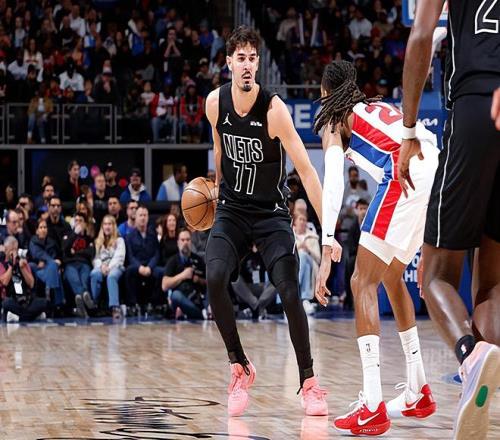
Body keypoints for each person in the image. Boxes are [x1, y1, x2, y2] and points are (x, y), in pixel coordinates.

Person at [204, 25, 327, 418]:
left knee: (290, 292)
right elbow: (219, 150)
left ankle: (309, 382)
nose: (247, 65)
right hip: (232, 210)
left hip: (271, 214)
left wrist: (329, 233)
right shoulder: (214, 103)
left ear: (257, 64)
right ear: (228, 62)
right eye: (240, 58)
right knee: (214, 277)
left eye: (252, 58)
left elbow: (306, 171)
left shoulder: (274, 110)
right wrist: (215, 192)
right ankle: (239, 366)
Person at [314, 60, 439, 435]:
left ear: (327, 94)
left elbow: (333, 183)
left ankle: (371, 405)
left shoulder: (335, 121)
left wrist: (326, 246)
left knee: (360, 281)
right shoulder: (376, 106)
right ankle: (418, 389)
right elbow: (425, 151)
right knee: (390, 276)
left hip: (404, 172)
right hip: (433, 166)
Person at [398, 2, 500, 439]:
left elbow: (421, 35)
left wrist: (408, 131)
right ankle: (487, 367)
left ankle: (469, 355)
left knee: (434, 276)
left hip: (475, 103)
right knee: (492, 282)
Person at [162, 229, 206, 320]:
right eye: (182, 240)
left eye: (187, 240)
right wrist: (183, 275)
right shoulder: (172, 261)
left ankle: (187, 312)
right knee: (176, 296)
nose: (185, 242)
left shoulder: (198, 260)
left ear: (191, 242)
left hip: (196, 298)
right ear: (178, 242)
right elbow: (164, 285)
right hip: (180, 297)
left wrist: (199, 280)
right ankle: (199, 314)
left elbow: (208, 282)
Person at [1, 236, 47, 322]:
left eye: (16, 249)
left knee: (44, 302)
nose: (14, 252)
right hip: (12, 299)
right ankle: (32, 315)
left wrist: (23, 268)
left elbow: (31, 284)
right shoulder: (2, 264)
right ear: (6, 250)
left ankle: (17, 316)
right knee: (6, 303)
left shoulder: (23, 263)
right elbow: (4, 282)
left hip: (26, 299)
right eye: (12, 249)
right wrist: (12, 265)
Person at [124, 206, 159, 313]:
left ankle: (153, 304)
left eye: (145, 215)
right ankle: (133, 304)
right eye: (140, 215)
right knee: (129, 271)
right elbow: (130, 256)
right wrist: (139, 267)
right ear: (136, 217)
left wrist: (149, 267)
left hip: (150, 265)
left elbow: (156, 254)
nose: (143, 218)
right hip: (136, 266)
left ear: (148, 218)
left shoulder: (153, 235)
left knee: (161, 272)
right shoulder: (129, 236)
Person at [90, 215, 126, 319]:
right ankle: (94, 303)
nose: (107, 227)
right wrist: (101, 266)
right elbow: (95, 258)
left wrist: (108, 267)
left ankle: (115, 307)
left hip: (116, 267)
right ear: (102, 226)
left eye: (109, 224)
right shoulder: (97, 242)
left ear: (114, 226)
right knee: (94, 274)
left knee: (111, 276)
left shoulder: (120, 240)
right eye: (105, 224)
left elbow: (119, 257)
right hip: (101, 267)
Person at [62, 212, 95, 318]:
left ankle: (81, 300)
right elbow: (65, 250)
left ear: (85, 224)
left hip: (84, 263)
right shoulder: (68, 235)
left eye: (81, 221)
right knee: (75, 279)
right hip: (70, 264)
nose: (78, 223)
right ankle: (85, 297)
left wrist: (74, 252)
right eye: (76, 221)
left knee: (84, 278)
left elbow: (90, 252)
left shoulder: (89, 238)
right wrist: (74, 234)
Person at [29, 218, 65, 310]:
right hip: (37, 269)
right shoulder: (33, 241)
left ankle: (49, 291)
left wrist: (58, 263)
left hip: (49, 269)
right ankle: (58, 301)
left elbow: (59, 255)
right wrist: (52, 262)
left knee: (53, 268)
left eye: (45, 227)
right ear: (37, 231)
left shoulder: (52, 242)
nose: (43, 229)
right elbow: (38, 255)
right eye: (41, 227)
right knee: (53, 266)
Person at [293, 212, 320, 315]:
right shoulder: (290, 235)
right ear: (295, 222)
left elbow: (318, 259)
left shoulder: (313, 237)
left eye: (304, 220)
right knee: (301, 259)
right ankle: (305, 300)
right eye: (300, 219)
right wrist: (298, 248)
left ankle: (296, 288)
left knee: (304, 257)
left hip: (311, 266)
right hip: (293, 266)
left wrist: (308, 249)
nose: (302, 222)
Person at [344, 199, 369, 311]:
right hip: (357, 256)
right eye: (361, 208)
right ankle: (350, 298)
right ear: (356, 210)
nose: (363, 211)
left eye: (365, 208)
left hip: (371, 256)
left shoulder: (372, 224)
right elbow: (351, 247)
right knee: (350, 263)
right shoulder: (352, 227)